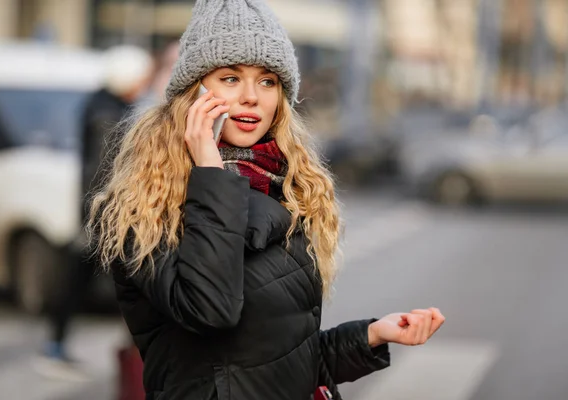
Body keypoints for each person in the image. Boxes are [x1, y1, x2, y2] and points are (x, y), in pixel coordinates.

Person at [87, 1, 445, 399]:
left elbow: (280, 365)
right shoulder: (148, 205)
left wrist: (372, 335)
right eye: (229, 78)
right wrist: (209, 170)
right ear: (193, 90)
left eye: (268, 81)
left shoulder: (287, 186)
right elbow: (210, 311)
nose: (251, 97)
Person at [35, 45, 154, 381]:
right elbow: (104, 170)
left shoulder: (109, 105)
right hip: (102, 215)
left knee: (83, 282)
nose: (144, 83)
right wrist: (105, 216)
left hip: (96, 212)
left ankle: (57, 345)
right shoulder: (109, 114)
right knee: (118, 284)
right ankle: (60, 348)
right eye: (141, 77)